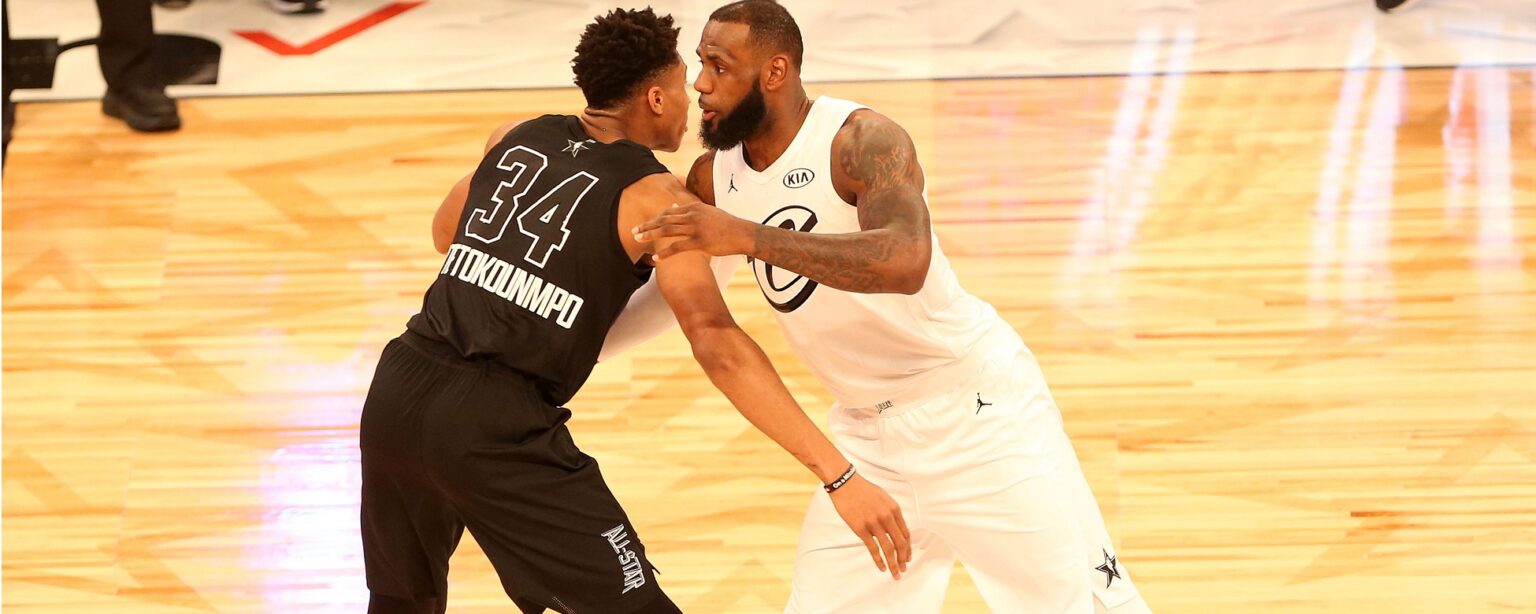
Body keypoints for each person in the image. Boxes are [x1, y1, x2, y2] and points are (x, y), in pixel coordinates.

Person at [361, 7, 910, 614]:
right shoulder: (658, 199)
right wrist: (837, 474)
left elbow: (445, 233)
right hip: (495, 423)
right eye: (682, 83)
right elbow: (716, 341)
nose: (694, 93)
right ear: (654, 98)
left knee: (400, 604)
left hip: (397, 390)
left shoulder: (512, 135)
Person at [625, 1, 1153, 611]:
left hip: (976, 416)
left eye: (719, 66)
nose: (700, 83)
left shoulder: (859, 141)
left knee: (1079, 603)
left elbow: (905, 261)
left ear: (774, 71)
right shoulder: (715, 178)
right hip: (866, 440)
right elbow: (682, 303)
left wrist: (747, 237)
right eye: (700, 64)